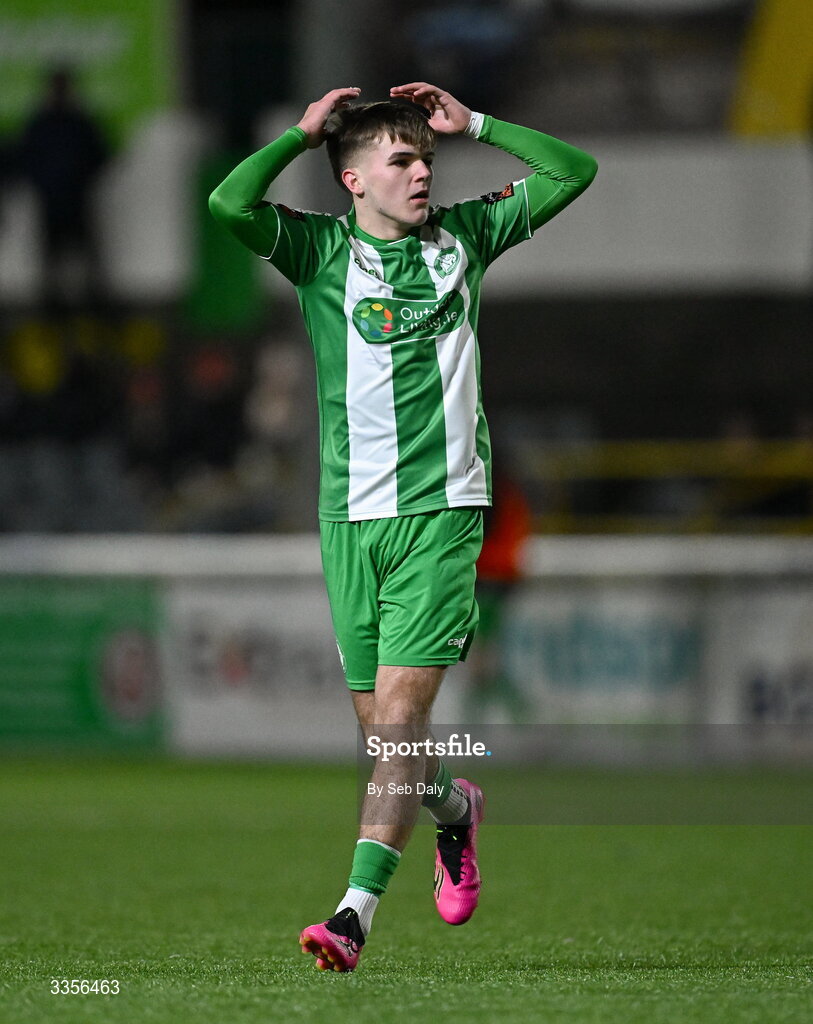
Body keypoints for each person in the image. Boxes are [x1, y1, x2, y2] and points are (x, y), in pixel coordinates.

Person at [209, 82, 597, 972]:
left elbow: (575, 171)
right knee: (386, 734)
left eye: (428, 159)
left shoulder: (467, 236)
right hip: (349, 518)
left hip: (442, 514)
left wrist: (483, 127)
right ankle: (455, 811)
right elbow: (228, 204)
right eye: (402, 159)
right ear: (351, 179)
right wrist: (295, 135)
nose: (423, 171)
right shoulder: (315, 254)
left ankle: (351, 916)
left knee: (398, 718)